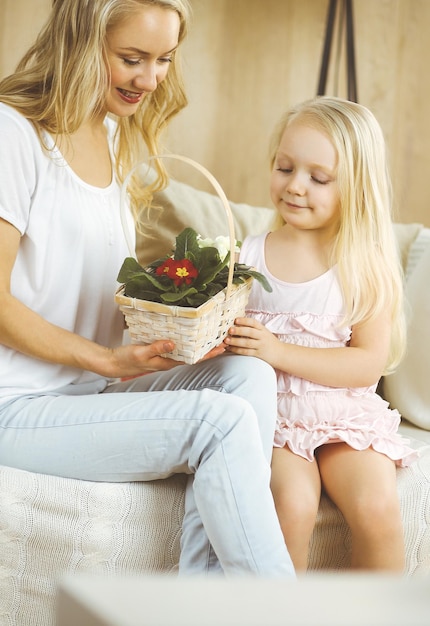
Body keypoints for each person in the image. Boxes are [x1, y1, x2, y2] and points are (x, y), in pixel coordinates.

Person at [0, 0, 295, 578]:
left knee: (250, 375)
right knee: (221, 422)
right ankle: (282, 612)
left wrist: (179, 332)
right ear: (81, 43)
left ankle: (197, 604)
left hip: (92, 389)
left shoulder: (111, 129)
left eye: (164, 59)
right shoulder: (13, 134)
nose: (151, 79)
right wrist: (107, 360)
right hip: (17, 404)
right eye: (132, 59)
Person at [224, 96, 418, 573]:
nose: (294, 186)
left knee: (377, 508)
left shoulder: (362, 263)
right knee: (291, 504)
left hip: (341, 412)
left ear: (355, 187)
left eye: (318, 177)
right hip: (273, 417)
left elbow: (367, 363)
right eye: (284, 167)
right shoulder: (248, 254)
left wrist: (277, 350)